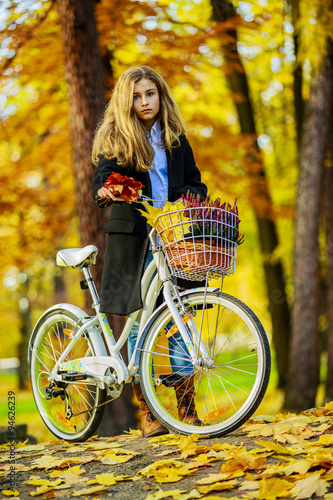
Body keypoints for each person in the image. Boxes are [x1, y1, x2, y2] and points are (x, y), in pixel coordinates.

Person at [92, 66, 207, 437]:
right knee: (140, 319)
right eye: (137, 96)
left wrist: (191, 201)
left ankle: (186, 408)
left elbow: (194, 182)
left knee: (179, 316)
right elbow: (104, 177)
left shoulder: (176, 139)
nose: (145, 102)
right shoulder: (117, 138)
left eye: (151, 94)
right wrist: (108, 189)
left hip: (173, 235)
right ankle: (149, 411)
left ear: (161, 96)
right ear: (127, 101)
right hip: (135, 237)